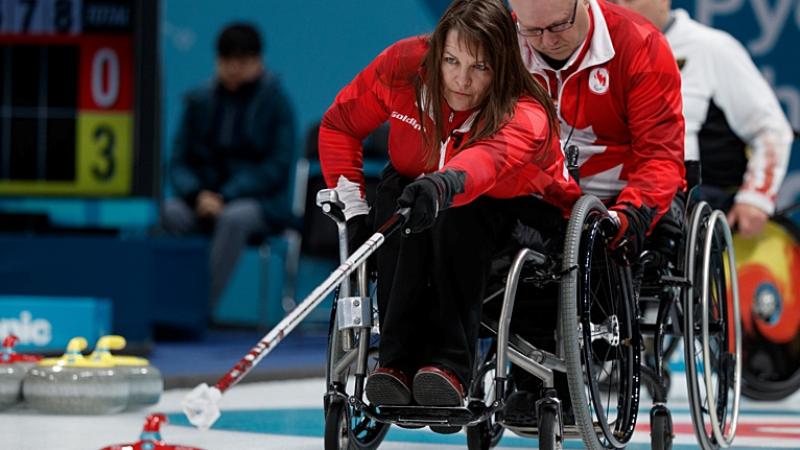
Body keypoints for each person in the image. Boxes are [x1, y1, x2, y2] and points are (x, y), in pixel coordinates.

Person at [318, 0, 581, 414]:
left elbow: (486, 162)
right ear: (435, 53)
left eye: (480, 67)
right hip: (430, 195)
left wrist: (442, 186)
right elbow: (339, 125)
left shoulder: (526, 110)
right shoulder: (403, 67)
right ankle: (395, 364)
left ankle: (450, 368)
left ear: (503, 69)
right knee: (394, 196)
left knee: (461, 209)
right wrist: (353, 212)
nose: (461, 80)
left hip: (523, 214)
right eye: (452, 61)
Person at [506, 0, 685, 423]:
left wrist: (632, 214)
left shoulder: (640, 44)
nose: (546, 42)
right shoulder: (505, 41)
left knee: (597, 244)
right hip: (540, 196)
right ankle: (525, 376)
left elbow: (661, 157)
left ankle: (584, 367)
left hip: (618, 198)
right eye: (533, 31)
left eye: (557, 27)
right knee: (509, 247)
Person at [611, 0, 794, 238]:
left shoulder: (711, 48)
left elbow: (771, 130)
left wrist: (756, 197)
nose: (618, 8)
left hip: (685, 211)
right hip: (614, 205)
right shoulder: (594, 52)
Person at [162, 23, 296, 310]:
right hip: (202, 200)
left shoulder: (276, 103)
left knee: (235, 218)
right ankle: (166, 303)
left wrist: (226, 195)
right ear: (217, 61)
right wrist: (197, 194)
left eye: (243, 61)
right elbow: (178, 161)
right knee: (169, 212)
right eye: (228, 61)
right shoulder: (198, 101)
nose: (235, 68)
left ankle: (197, 309)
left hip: (258, 205)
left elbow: (277, 165)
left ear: (258, 61)